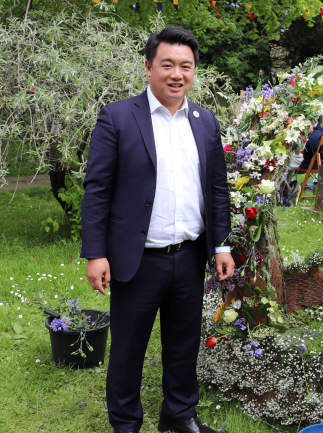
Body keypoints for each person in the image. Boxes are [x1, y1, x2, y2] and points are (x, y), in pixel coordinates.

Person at [81, 26, 235, 433]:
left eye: (186, 66)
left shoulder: (205, 122)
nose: (176, 74)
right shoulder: (117, 117)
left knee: (183, 345)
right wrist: (96, 252)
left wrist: (220, 244)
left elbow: (217, 190)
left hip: (189, 257)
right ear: (149, 67)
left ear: (194, 72)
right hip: (137, 260)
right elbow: (97, 190)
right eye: (167, 64)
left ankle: (180, 415)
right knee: (128, 349)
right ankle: (126, 423)